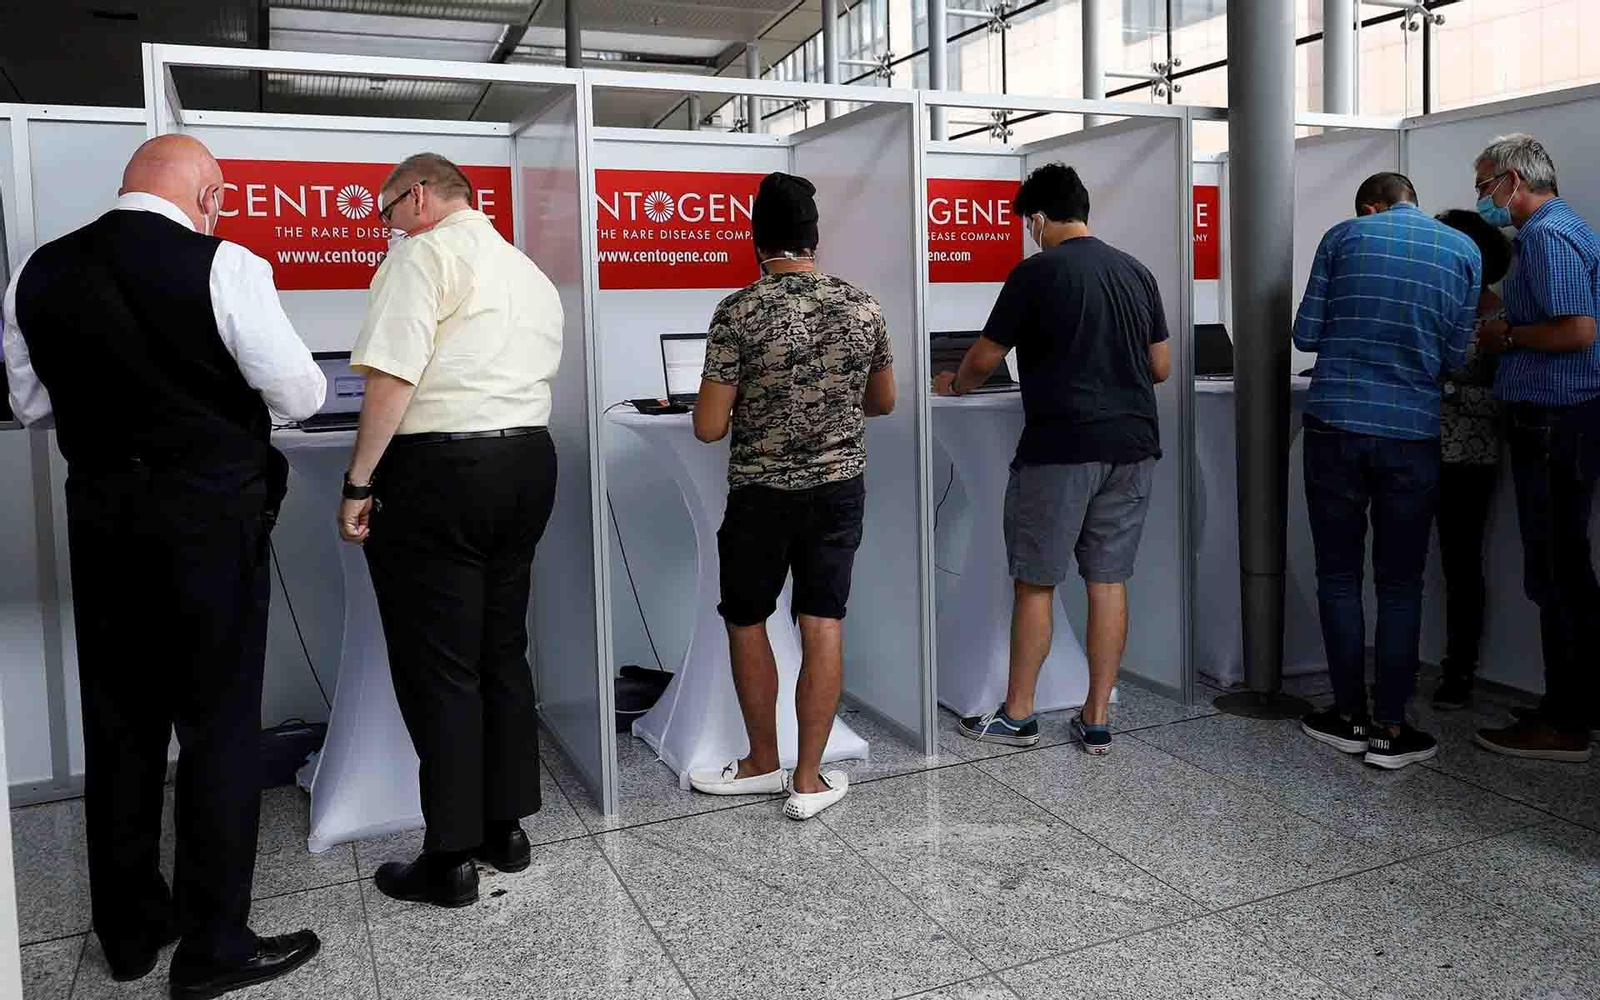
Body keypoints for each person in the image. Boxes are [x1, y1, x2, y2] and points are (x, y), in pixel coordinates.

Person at [2, 135, 325, 997]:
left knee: (120, 727)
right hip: (210, 522)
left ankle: (131, 932)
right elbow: (301, 394)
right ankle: (215, 946)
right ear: (210, 195)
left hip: (102, 521)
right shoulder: (227, 264)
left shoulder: (38, 270)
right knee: (219, 729)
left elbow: (30, 405)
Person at [337, 153, 564, 902]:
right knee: (501, 650)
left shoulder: (421, 256)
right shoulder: (525, 269)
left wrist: (360, 481)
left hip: (440, 471)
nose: (388, 228)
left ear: (420, 197)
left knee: (440, 665)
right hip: (527, 462)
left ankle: (450, 858)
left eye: (388, 213)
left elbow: (391, 379)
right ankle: (507, 828)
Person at [936, 162, 1170, 756]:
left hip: (1061, 448)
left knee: (1037, 582)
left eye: (1028, 224)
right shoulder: (1136, 271)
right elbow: (1160, 366)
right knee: (1108, 581)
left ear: (1038, 218)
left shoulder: (1036, 273)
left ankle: (1018, 716)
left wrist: (954, 385)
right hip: (1133, 447)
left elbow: (983, 359)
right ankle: (1096, 718)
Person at [686, 172, 895, 821]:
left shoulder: (738, 311)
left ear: (757, 241)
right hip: (837, 488)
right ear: (813, 239)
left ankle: (759, 762)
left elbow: (708, 427)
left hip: (761, 492)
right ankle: (808, 779)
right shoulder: (862, 306)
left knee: (747, 618)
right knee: (822, 619)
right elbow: (883, 401)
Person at [1294, 172, 1480, 770]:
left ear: (1371, 208)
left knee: (1338, 574)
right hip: (1412, 432)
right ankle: (1390, 730)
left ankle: (1348, 717)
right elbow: (1457, 356)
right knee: (1401, 583)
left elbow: (1305, 333)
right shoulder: (1464, 250)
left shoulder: (1343, 237)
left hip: (1336, 423)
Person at [1470, 134, 1600, 762]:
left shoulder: (1548, 236)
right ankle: (1574, 704)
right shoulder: (1557, 231)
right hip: (1561, 418)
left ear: (1513, 181)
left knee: (1556, 572)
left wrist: (1507, 337)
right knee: (1564, 568)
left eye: (1484, 184)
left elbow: (1577, 330)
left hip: (1554, 419)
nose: (1482, 196)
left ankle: (1565, 722)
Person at [1432, 210, 1514, 711]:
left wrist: (1445, 390)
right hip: (1419, 448)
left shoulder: (1498, 319)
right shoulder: (1438, 305)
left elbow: (1503, 399)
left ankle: (1459, 668)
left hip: (1468, 458)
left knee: (1461, 565)